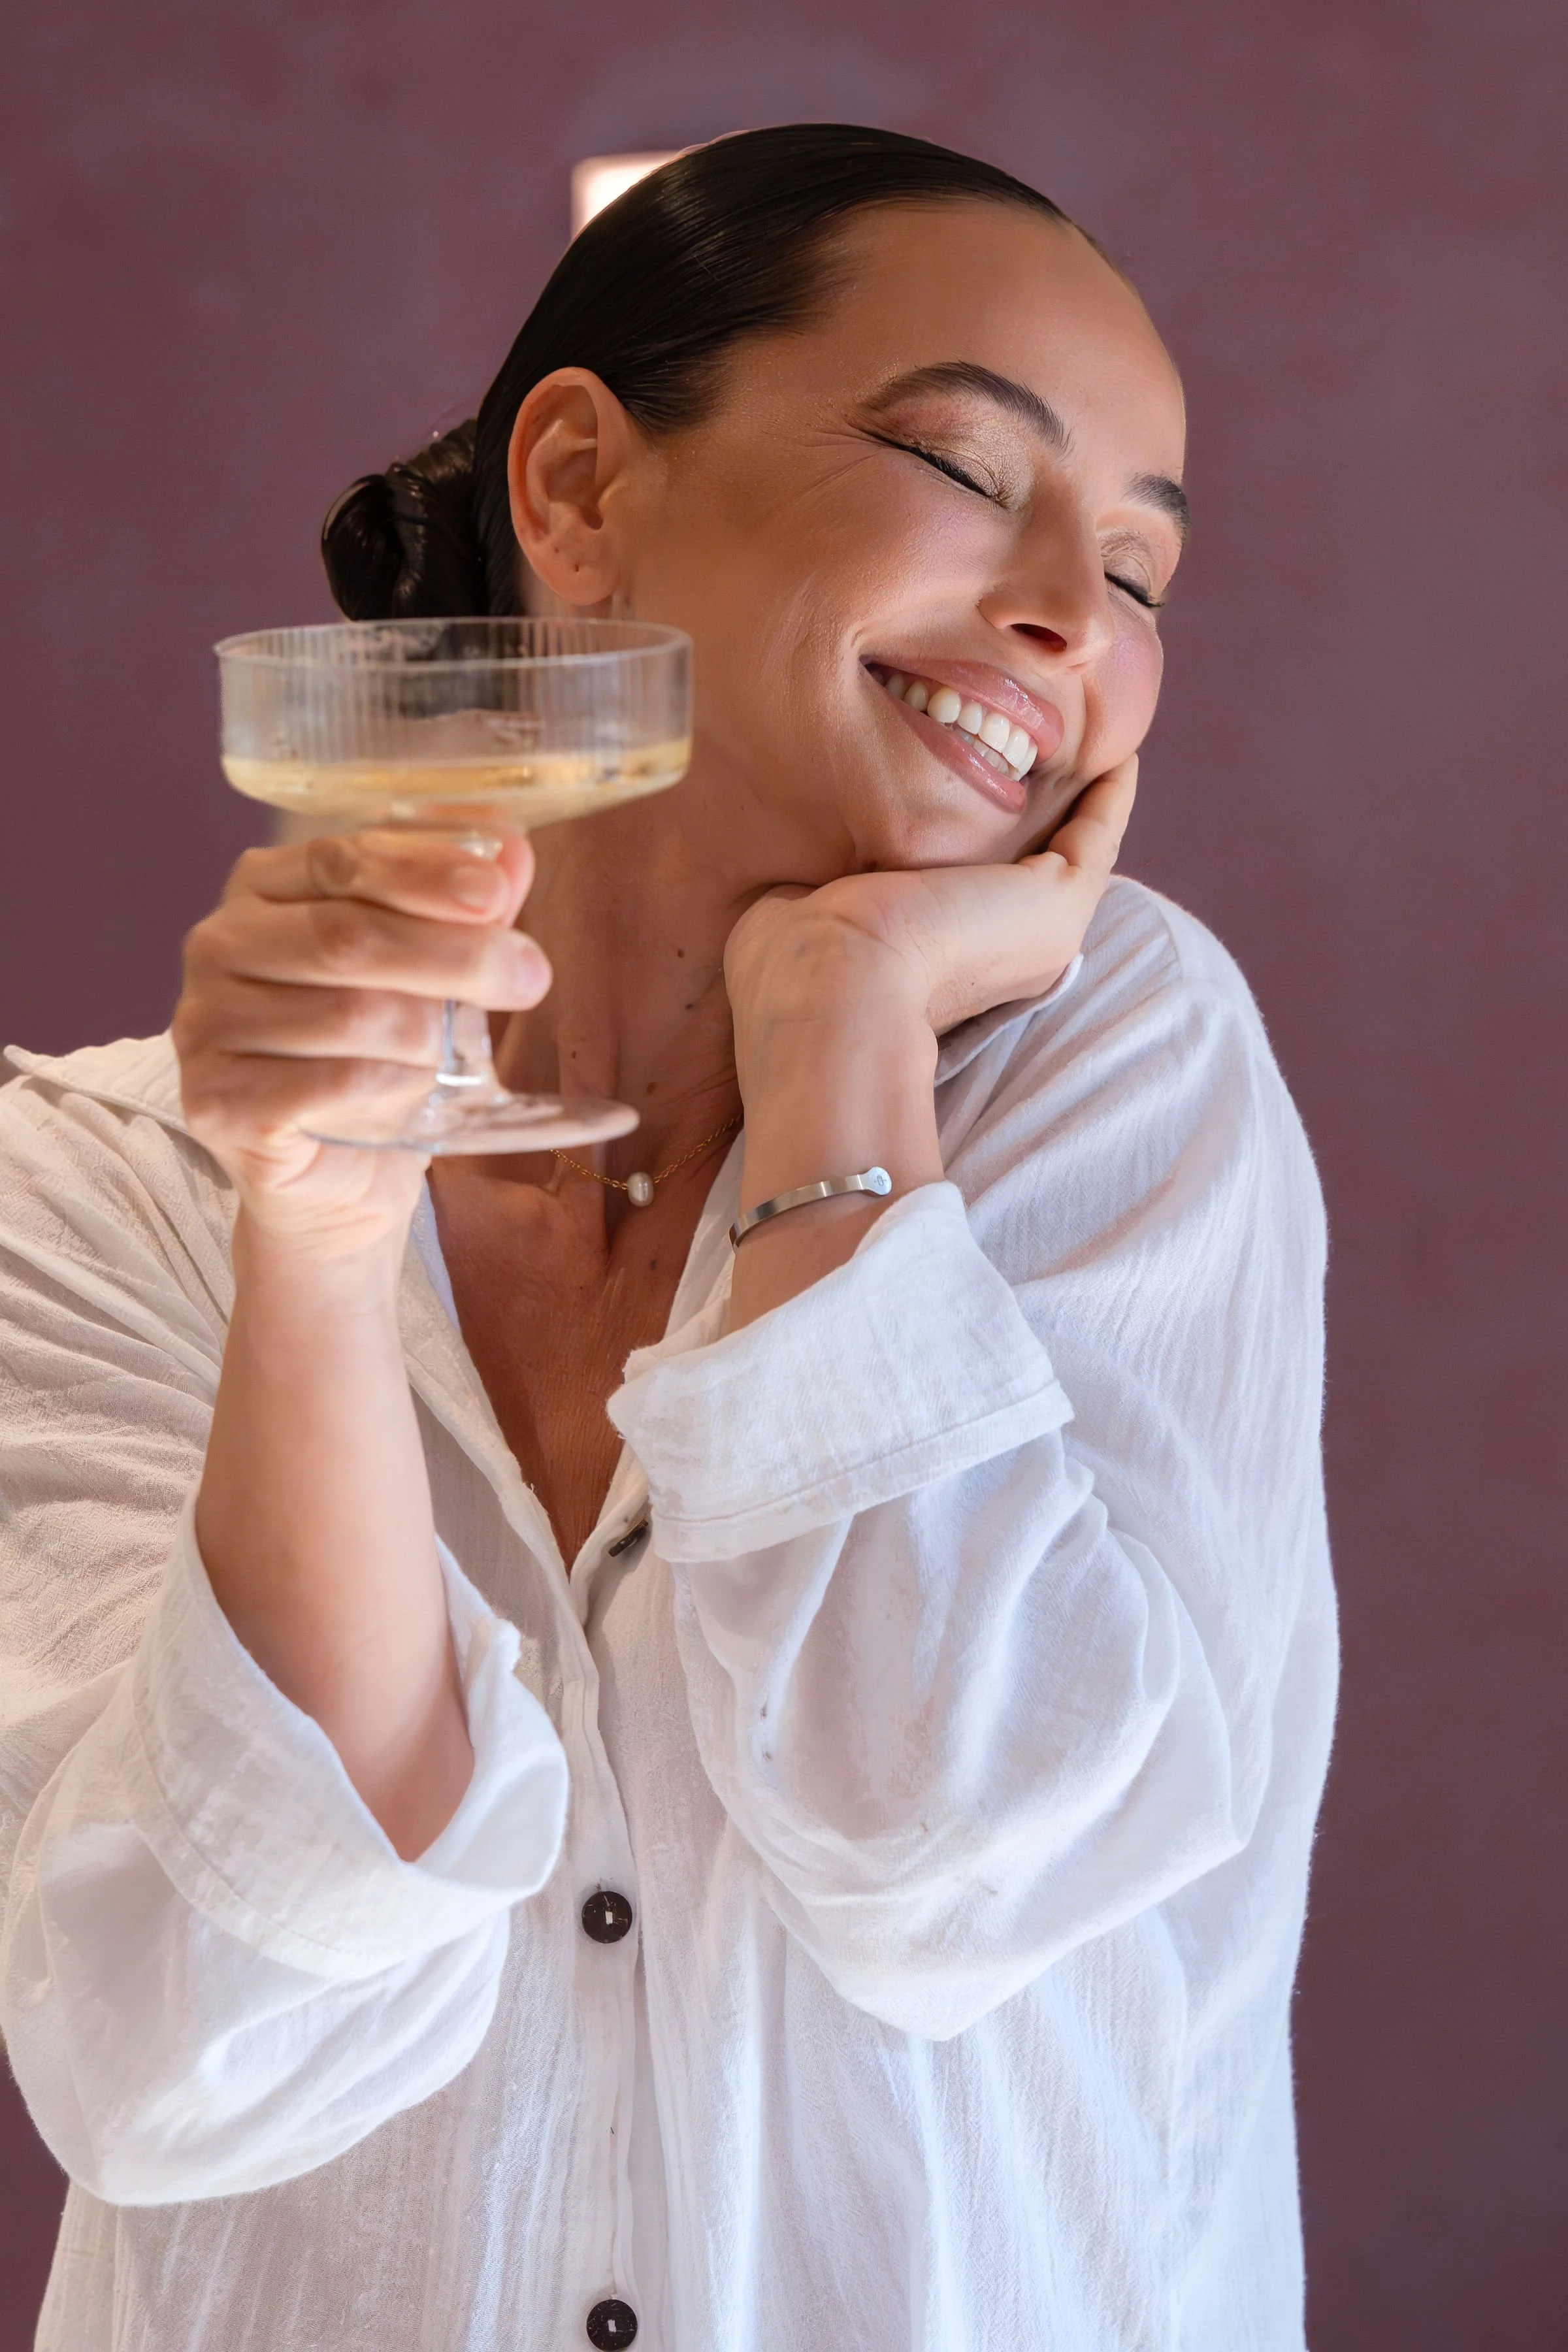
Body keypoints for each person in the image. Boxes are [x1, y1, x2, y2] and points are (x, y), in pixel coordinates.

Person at [0, 125, 1335, 2352]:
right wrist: (319, 1238)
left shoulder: (1125, 1069)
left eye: (1144, 571)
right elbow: (186, 2056)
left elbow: (959, 1858)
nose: (1069, 618)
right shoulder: (100, 1186)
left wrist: (847, 1053)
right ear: (583, 487)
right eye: (963, 462)